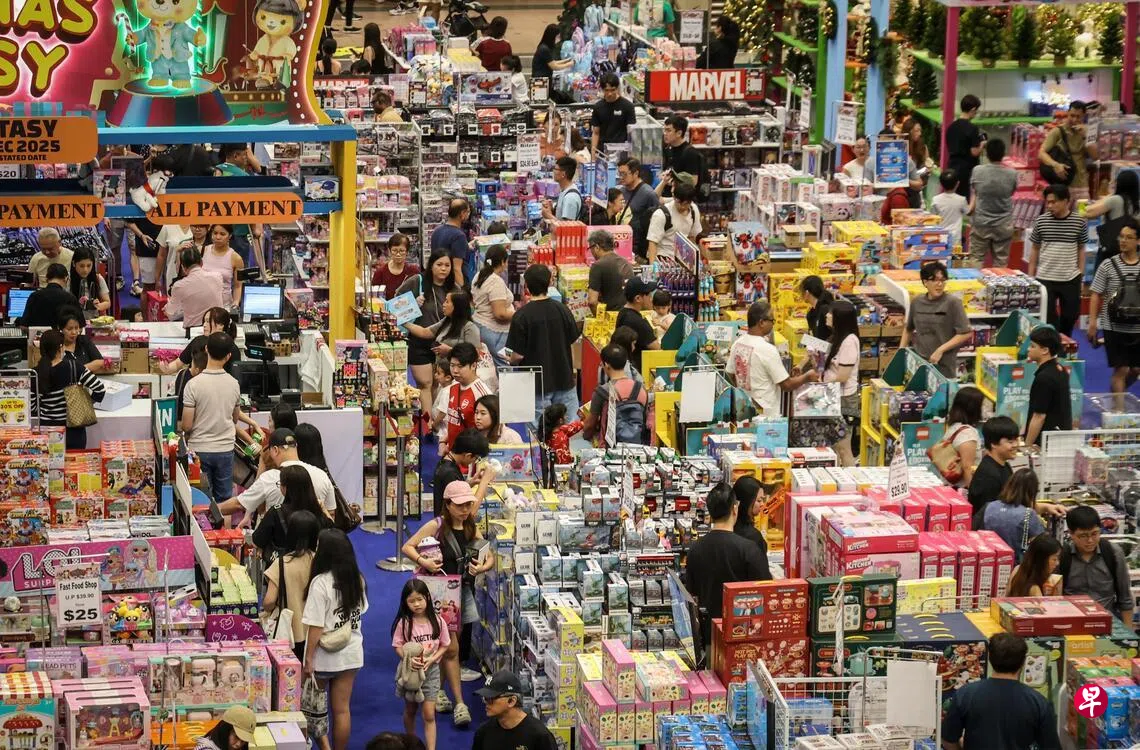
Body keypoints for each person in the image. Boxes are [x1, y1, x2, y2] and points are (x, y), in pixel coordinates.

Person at [402, 481, 497, 726]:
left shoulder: (470, 527)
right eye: (460, 505)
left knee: (449, 645)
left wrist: (482, 567)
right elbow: (407, 546)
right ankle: (459, 703)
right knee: (451, 646)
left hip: (462, 590)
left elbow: (488, 556)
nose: (465, 509)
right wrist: (425, 560)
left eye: (468, 504)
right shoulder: (436, 525)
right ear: (447, 504)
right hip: (438, 593)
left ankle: (438, 691)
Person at [303, 529, 367, 750]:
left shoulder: (320, 583)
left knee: (314, 708)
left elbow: (316, 627)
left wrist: (308, 658)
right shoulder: (357, 579)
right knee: (342, 710)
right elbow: (362, 610)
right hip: (351, 653)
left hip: (324, 657)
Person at [684, 482, 770, 645]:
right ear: (735, 509)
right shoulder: (749, 549)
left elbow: (692, 594)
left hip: (709, 635)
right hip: (744, 634)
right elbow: (765, 593)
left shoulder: (695, 550)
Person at [941, 633, 1060, 750]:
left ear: (990, 657)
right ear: (1023, 661)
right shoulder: (1038, 702)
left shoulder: (966, 694)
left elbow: (948, 741)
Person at [506, 264, 581, 425]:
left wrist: (509, 359)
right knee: (570, 427)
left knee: (540, 430)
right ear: (550, 283)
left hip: (536, 384)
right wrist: (573, 371)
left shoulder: (521, 316)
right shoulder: (563, 309)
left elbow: (517, 354)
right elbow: (573, 342)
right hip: (564, 379)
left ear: (526, 285)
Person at [220, 428, 337, 524]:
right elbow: (330, 515)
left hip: (279, 547)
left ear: (275, 450)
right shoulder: (322, 475)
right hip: (313, 546)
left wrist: (210, 509)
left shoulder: (269, 478)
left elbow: (239, 504)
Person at [726, 300, 818, 416]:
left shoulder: (737, 343)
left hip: (743, 410)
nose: (773, 324)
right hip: (767, 416)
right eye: (772, 320)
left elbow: (729, 375)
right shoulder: (767, 349)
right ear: (761, 322)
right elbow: (787, 385)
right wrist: (807, 376)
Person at [182, 332, 241, 504]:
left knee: (201, 502)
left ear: (206, 349)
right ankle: (224, 531)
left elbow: (186, 425)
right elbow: (235, 418)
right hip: (225, 449)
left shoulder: (193, 385)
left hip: (199, 449)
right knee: (225, 500)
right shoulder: (234, 383)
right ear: (228, 356)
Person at [392, 578, 450, 750]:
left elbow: (445, 644)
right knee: (410, 709)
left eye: (420, 599)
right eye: (411, 601)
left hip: (431, 672)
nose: (416, 604)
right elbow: (397, 645)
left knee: (429, 713)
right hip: (411, 674)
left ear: (428, 598)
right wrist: (408, 659)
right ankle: (411, 743)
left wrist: (432, 659)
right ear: (405, 603)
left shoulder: (438, 621)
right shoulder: (404, 623)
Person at [396, 251, 457, 413]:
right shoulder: (417, 281)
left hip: (443, 343)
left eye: (447, 265)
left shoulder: (454, 289)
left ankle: (433, 422)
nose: (443, 269)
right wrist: (413, 304)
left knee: (438, 383)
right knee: (425, 384)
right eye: (439, 265)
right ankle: (427, 424)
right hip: (418, 342)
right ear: (431, 266)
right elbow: (396, 304)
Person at [1088, 216, 1140, 392]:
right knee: (1121, 369)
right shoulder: (1107, 265)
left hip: (1137, 328)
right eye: (1121, 236)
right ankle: (1119, 413)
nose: (1123, 241)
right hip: (1113, 327)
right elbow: (1096, 294)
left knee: (1135, 369)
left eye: (1128, 237)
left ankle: (1116, 393)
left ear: (1138, 241)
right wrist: (1093, 323)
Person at [1029, 184, 1087, 337]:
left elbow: (1081, 248)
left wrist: (1081, 275)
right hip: (1045, 277)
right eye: (1047, 202)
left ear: (1066, 201)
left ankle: (1065, 339)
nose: (1049, 206)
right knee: (1048, 318)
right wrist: (1030, 277)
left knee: (1071, 316)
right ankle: (1055, 345)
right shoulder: (1041, 221)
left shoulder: (1079, 222)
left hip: (1070, 277)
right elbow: (1035, 248)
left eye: (1053, 202)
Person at [261, 509, 320, 661]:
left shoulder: (281, 564)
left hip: (289, 630)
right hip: (315, 629)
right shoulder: (319, 561)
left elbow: (269, 601)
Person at [1062, 505, 1133, 626]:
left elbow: (1125, 599)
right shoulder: (1063, 556)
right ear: (1071, 533)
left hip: (1108, 623)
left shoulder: (1113, 553)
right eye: (1083, 536)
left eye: (1094, 533)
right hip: (1072, 623)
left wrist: (1129, 635)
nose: (1090, 540)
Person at [33, 329, 105, 450]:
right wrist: (87, 401)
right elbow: (99, 390)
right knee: (75, 466)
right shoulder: (74, 366)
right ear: (60, 348)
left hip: (47, 432)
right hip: (73, 431)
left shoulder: (35, 373)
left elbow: (33, 408)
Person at [900, 262, 972, 378]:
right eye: (934, 280)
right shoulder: (917, 302)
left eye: (942, 280)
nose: (939, 284)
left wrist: (941, 350)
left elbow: (965, 333)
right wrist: (900, 353)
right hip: (919, 362)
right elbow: (908, 329)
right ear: (925, 282)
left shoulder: (953, 303)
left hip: (943, 365)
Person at [252, 464, 334, 554]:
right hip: (313, 564)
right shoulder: (317, 510)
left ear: (285, 487)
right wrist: (323, 508)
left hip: (282, 565)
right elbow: (332, 530)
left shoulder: (276, 511)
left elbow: (257, 541)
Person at [819, 299, 861, 466]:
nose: (827, 316)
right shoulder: (837, 336)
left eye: (831, 313)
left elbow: (842, 376)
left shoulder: (849, 341)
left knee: (843, 448)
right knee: (834, 447)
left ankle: (851, 482)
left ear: (840, 318)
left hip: (843, 400)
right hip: (833, 397)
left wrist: (821, 384)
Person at [473, 670, 558, 750]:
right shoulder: (483, 732)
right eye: (485, 698)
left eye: (491, 698)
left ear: (512, 701)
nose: (486, 703)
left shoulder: (540, 736)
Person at [583, 344, 649, 447]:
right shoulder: (641, 389)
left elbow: (590, 425)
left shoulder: (602, 392)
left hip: (610, 449)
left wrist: (586, 435)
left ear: (606, 365)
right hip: (637, 447)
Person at [968, 138, 1018, 268]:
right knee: (1001, 261)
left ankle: (974, 286)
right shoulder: (1012, 174)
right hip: (1003, 223)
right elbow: (1012, 192)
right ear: (1003, 154)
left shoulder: (977, 171)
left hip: (981, 222)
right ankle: (998, 287)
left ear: (987, 153)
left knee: (976, 258)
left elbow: (975, 191)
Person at [981, 469, 1052, 561]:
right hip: (1015, 566)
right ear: (1032, 492)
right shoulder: (1028, 515)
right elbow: (1041, 548)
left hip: (988, 562)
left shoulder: (989, 507)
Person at [213, 147, 264, 269]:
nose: (246, 159)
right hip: (240, 230)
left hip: (220, 230)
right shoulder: (244, 176)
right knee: (240, 268)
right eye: (244, 155)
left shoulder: (218, 170)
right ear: (236, 156)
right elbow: (250, 206)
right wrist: (254, 227)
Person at [428, 428, 495, 519]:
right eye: (476, 458)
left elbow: (453, 490)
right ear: (468, 455)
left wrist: (471, 482)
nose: (474, 461)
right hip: (449, 529)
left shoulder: (445, 463)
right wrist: (484, 482)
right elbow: (470, 513)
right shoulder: (450, 473)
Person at [1024, 326, 1072, 446]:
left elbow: (1039, 416)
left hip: (1046, 442)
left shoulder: (1044, 378)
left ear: (1045, 350)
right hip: (1060, 436)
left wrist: (1027, 446)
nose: (1028, 349)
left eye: (1032, 346)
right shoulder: (1060, 369)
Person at [1038, 100, 1097, 197]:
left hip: (1081, 185)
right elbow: (1041, 153)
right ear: (1068, 114)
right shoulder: (1057, 131)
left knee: (1082, 212)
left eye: (1078, 117)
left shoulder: (1088, 132)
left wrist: (1086, 136)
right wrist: (1055, 165)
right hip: (1062, 184)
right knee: (1063, 212)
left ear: (1084, 116)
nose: (1074, 119)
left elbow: (1095, 156)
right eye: (1072, 116)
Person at [440, 342, 493, 450]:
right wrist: (443, 441)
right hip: (453, 453)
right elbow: (454, 421)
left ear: (473, 365)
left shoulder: (482, 393)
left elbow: (491, 430)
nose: (455, 371)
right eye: (452, 365)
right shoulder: (453, 387)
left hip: (470, 456)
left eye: (460, 366)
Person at [967, 415, 1019, 522]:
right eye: (1010, 442)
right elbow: (989, 517)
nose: (1016, 445)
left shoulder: (1004, 465)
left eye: (1016, 440)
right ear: (994, 444)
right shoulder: (989, 476)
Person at [162, 307, 241, 376]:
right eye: (204, 321)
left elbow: (235, 376)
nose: (204, 325)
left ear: (221, 325)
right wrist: (167, 368)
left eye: (208, 321)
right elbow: (178, 363)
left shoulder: (232, 349)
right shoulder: (197, 341)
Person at [405, 290, 480, 361]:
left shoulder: (470, 328)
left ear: (457, 306)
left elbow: (475, 355)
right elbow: (424, 332)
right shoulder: (446, 322)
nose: (443, 304)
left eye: (447, 302)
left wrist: (450, 351)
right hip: (441, 371)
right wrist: (402, 321)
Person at [471, 246, 514, 367]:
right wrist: (519, 314)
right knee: (504, 364)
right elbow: (500, 314)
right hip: (496, 333)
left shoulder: (479, 275)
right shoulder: (496, 281)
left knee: (489, 364)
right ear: (502, 262)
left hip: (481, 326)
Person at [165, 247, 225, 330]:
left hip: (194, 331)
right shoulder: (218, 276)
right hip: (218, 328)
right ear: (201, 262)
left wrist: (167, 308)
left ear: (183, 267)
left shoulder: (179, 286)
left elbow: (170, 313)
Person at [618, 157, 660, 263]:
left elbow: (656, 223)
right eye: (619, 174)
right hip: (622, 243)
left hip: (640, 249)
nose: (621, 177)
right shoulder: (620, 191)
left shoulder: (648, 194)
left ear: (635, 173)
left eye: (624, 174)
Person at [647, 183, 702, 263]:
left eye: (686, 204)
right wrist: (652, 267)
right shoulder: (661, 214)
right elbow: (652, 242)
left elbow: (692, 237)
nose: (682, 207)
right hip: (664, 257)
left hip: (684, 260)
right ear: (674, 198)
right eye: (679, 203)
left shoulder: (694, 210)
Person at [615, 278, 661, 372]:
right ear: (638, 298)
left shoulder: (623, 312)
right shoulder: (636, 321)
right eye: (648, 295)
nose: (651, 299)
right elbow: (657, 347)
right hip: (638, 372)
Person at [941, 386, 983, 488]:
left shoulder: (954, 427)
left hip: (950, 486)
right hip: (961, 489)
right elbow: (967, 467)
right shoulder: (968, 435)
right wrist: (972, 493)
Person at [945, 94, 985, 199]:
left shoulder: (951, 127)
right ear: (972, 109)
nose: (976, 114)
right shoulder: (972, 128)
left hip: (952, 167)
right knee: (965, 200)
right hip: (966, 170)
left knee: (953, 198)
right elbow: (974, 152)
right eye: (976, 111)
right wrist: (982, 144)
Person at [17, 263, 80, 328]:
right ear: (66, 279)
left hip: (38, 337)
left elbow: (23, 326)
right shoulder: (71, 298)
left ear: (46, 279)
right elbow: (80, 326)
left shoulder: (34, 296)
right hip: (62, 337)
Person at [587, 229, 633, 315]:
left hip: (611, 317)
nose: (591, 252)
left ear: (597, 247)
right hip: (628, 315)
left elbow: (592, 301)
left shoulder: (598, 266)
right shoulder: (626, 263)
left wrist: (601, 319)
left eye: (591, 248)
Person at [591, 72, 637, 156]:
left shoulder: (628, 106)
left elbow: (632, 133)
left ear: (617, 88)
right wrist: (593, 154)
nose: (609, 94)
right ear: (602, 89)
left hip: (622, 152)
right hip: (603, 152)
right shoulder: (598, 107)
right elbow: (596, 132)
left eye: (613, 90)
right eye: (606, 90)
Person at [201, 225, 245, 310]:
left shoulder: (236, 258)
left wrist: (235, 303)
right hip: (203, 305)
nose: (218, 237)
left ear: (230, 236)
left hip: (224, 306)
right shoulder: (203, 251)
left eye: (222, 234)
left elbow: (238, 286)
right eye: (215, 233)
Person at [659, 115, 704, 198]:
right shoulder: (668, 148)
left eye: (668, 130)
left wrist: (669, 181)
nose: (665, 133)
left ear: (679, 133)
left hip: (681, 201)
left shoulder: (690, 153)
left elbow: (693, 182)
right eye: (664, 130)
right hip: (667, 196)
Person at [431, 198, 472, 288]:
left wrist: (466, 246)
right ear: (462, 213)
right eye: (467, 212)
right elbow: (456, 268)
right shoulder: (459, 236)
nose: (468, 215)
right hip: (451, 285)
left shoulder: (437, 230)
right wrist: (462, 292)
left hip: (437, 282)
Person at [731, 475, 769, 557]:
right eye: (759, 500)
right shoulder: (753, 537)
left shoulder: (727, 528)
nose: (762, 504)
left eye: (763, 499)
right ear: (747, 502)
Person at [57, 309, 105, 374]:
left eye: (76, 328)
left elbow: (100, 362)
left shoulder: (84, 340)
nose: (74, 332)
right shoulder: (56, 346)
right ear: (61, 329)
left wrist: (77, 370)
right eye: (69, 329)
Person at [932, 170, 969, 249]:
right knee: (955, 259)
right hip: (955, 238)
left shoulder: (935, 199)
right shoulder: (961, 200)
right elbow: (968, 212)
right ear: (957, 183)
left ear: (941, 184)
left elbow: (932, 218)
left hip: (940, 236)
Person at [68, 248, 110, 316]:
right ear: (73, 263)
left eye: (89, 265)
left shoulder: (98, 279)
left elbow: (107, 302)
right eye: (81, 266)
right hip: (72, 321)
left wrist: (96, 305)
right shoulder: (67, 279)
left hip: (94, 321)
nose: (85, 270)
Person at [543, 156, 583, 222]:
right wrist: (552, 209)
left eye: (555, 169)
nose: (553, 171)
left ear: (563, 174)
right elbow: (560, 217)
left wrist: (548, 215)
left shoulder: (570, 197)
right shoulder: (564, 190)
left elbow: (567, 227)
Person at [799, 276, 834, 340]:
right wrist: (809, 334)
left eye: (801, 292)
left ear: (807, 293)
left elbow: (832, 337)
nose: (800, 295)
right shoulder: (812, 312)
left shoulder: (825, 310)